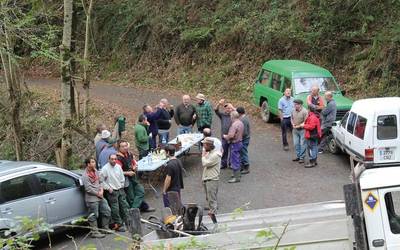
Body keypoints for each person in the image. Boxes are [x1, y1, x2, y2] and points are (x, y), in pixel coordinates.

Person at [116, 140, 155, 212]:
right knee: (131, 197)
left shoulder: (129, 154)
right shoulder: (118, 158)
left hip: (133, 177)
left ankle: (133, 210)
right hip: (126, 180)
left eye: (125, 146)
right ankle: (134, 212)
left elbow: (134, 162)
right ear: (119, 148)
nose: (125, 148)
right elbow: (118, 172)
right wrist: (127, 173)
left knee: (141, 191)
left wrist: (135, 166)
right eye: (123, 146)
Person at [82, 157, 111, 238]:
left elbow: (101, 181)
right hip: (92, 198)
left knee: (107, 210)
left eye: (94, 162)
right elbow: (88, 189)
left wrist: (101, 190)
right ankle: (94, 232)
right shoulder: (85, 175)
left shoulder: (96, 172)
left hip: (100, 196)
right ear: (88, 164)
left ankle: (105, 228)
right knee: (94, 215)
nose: (94, 163)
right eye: (93, 162)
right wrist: (97, 193)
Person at [101, 154, 130, 232]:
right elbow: (101, 181)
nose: (113, 161)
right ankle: (119, 224)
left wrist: (122, 185)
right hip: (112, 191)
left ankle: (128, 222)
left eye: (115, 159)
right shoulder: (105, 169)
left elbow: (122, 178)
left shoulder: (118, 167)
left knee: (124, 206)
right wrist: (108, 188)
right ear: (109, 159)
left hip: (120, 189)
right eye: (112, 159)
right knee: (115, 209)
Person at [201, 137, 221, 231]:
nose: (203, 146)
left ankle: (215, 223)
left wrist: (203, 156)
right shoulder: (210, 153)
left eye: (204, 145)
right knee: (209, 199)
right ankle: (213, 216)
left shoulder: (215, 155)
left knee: (212, 200)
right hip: (207, 179)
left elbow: (205, 163)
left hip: (212, 179)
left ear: (209, 145)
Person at [223, 111, 244, 183]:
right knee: (238, 159)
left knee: (234, 160)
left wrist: (226, 136)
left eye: (230, 116)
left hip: (235, 144)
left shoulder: (234, 125)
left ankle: (236, 178)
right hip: (240, 142)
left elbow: (231, 135)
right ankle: (238, 174)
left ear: (232, 117)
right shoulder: (240, 123)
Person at [214, 99, 234, 169]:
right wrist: (219, 103)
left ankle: (231, 164)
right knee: (224, 151)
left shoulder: (234, 115)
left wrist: (233, 107)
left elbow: (240, 113)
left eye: (229, 108)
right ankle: (223, 164)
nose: (227, 109)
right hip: (224, 137)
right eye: (226, 108)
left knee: (232, 151)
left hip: (232, 137)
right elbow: (216, 110)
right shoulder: (223, 115)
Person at [291, 99, 308, 163]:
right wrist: (292, 124)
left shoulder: (305, 111)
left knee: (302, 144)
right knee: (296, 144)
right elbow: (291, 118)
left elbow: (305, 122)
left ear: (300, 105)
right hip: (295, 130)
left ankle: (302, 157)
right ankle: (298, 156)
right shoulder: (293, 110)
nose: (294, 105)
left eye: (296, 104)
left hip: (302, 130)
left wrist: (298, 126)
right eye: (294, 104)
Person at [236, 107, 251, 174]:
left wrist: (238, 137)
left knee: (243, 152)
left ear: (239, 113)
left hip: (244, 139)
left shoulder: (243, 120)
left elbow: (244, 132)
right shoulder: (244, 118)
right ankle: (242, 166)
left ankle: (246, 167)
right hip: (245, 138)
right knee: (242, 152)